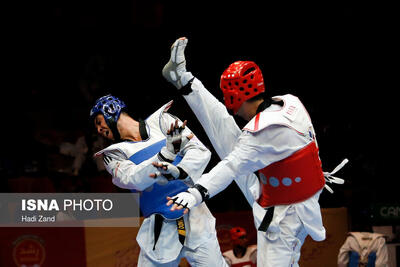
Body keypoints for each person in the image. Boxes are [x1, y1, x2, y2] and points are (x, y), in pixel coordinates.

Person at [162, 37, 347, 266]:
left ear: (233, 96)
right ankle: (183, 80)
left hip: (284, 214)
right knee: (227, 133)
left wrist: (195, 193)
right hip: (275, 185)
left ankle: (183, 80)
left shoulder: (259, 134)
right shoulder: (290, 103)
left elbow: (229, 167)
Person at [90, 95, 227, 266]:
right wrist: (165, 154)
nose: (98, 129)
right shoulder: (113, 154)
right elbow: (132, 178)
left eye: (98, 121)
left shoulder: (162, 120)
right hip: (158, 226)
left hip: (195, 215)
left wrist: (180, 171)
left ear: (110, 110)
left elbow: (200, 151)